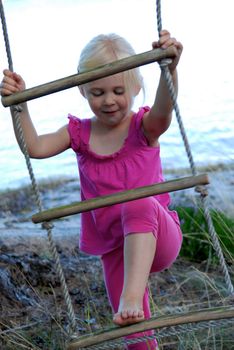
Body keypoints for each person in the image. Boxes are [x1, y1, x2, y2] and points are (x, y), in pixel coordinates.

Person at [1, 29, 183, 349]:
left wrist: (169, 69)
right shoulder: (79, 134)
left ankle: (131, 295)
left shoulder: (144, 128)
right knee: (134, 333)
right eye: (97, 92)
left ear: (136, 88)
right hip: (115, 248)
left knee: (136, 203)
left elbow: (164, 110)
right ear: (83, 90)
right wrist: (20, 106)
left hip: (160, 237)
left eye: (117, 90)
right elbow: (35, 146)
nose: (108, 100)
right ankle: (133, 311)